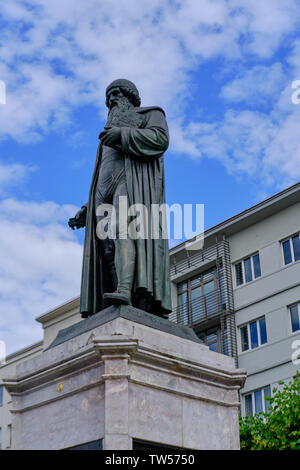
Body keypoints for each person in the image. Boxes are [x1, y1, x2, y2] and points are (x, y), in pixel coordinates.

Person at [69, 79, 171, 319]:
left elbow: (160, 139)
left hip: (131, 181)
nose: (111, 99)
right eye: (108, 96)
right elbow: (101, 172)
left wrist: (123, 133)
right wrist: (87, 207)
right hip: (102, 190)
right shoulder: (105, 136)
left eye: (117, 93)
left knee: (121, 230)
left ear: (130, 97)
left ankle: (126, 290)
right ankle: (118, 295)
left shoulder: (151, 114)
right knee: (106, 246)